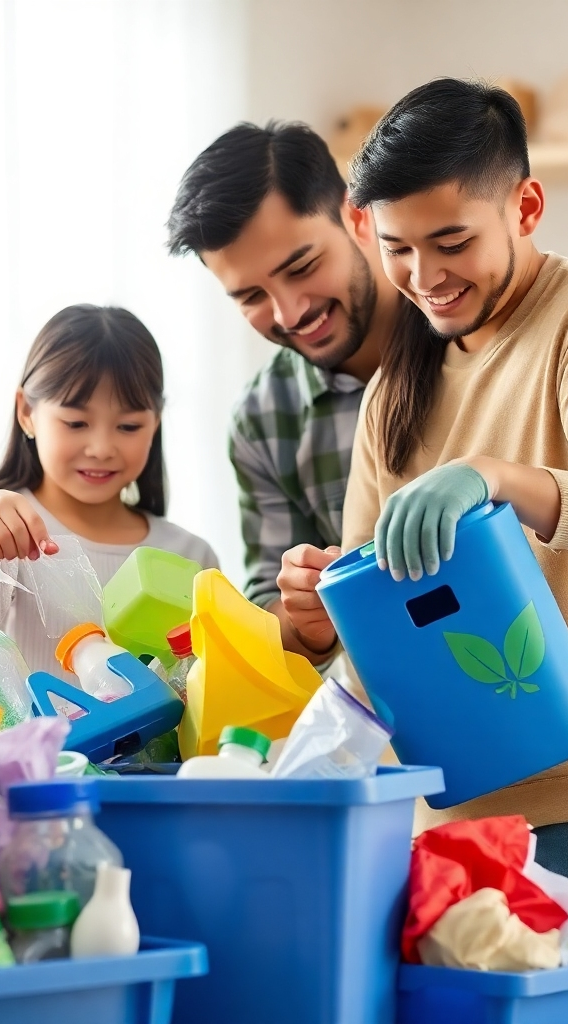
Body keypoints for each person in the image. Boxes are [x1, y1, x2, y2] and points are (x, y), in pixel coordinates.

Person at [276, 78, 568, 879]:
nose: (424, 275)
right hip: (441, 810)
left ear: (525, 208)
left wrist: (497, 478)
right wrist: (320, 614)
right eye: (397, 248)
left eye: (452, 241)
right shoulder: (399, 386)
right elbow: (376, 615)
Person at [166, 122, 400, 661]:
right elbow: (268, 610)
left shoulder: (467, 335)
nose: (290, 313)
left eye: (302, 267)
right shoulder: (263, 418)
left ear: (357, 216)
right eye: (250, 295)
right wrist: (303, 621)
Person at [0, 304, 218, 674]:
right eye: (76, 423)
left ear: (155, 422)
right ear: (27, 412)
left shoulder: (190, 555)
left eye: (128, 427)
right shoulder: (7, 530)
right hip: (30, 735)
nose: (100, 448)